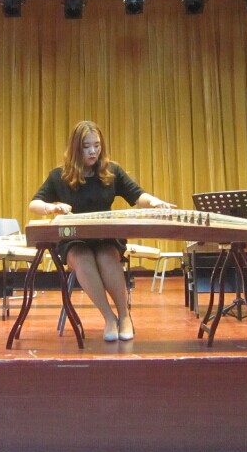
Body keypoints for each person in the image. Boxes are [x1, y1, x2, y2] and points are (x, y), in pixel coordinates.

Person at [29, 120, 175, 342]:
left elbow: (137, 195)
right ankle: (109, 317)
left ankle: (124, 316)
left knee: (107, 258)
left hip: (106, 236)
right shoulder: (59, 175)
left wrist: (155, 202)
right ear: (76, 148)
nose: (93, 151)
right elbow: (35, 204)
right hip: (74, 240)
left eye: (96, 145)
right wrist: (51, 208)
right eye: (87, 146)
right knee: (83, 258)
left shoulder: (111, 171)